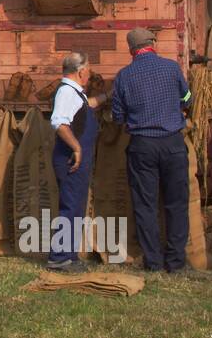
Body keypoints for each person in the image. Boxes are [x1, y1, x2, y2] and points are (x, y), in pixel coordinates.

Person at [110, 28, 192, 272]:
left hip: (142, 146)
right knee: (176, 204)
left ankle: (153, 262)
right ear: (153, 43)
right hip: (173, 144)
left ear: (131, 50)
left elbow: (117, 116)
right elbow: (187, 98)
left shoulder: (124, 76)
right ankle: (176, 262)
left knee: (146, 206)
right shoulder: (171, 68)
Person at [46, 52, 105, 272]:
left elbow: (86, 106)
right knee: (70, 206)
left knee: (76, 206)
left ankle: (69, 256)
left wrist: (107, 96)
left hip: (74, 160)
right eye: (88, 70)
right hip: (70, 159)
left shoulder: (74, 93)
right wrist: (77, 147)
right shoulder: (66, 93)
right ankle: (59, 258)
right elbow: (59, 123)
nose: (90, 74)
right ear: (81, 72)